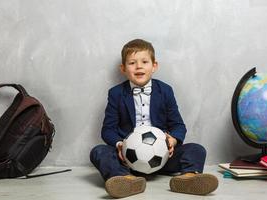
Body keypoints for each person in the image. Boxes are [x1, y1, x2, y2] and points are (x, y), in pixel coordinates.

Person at [90, 39, 218, 198]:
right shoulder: (116, 93)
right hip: (127, 160)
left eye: (144, 61)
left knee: (197, 149)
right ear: (123, 68)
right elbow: (108, 130)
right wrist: (120, 145)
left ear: (154, 66)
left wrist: (173, 140)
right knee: (98, 152)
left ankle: (189, 178)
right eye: (132, 63)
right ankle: (126, 180)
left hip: (162, 158)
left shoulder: (165, 91)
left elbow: (178, 125)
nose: (139, 66)